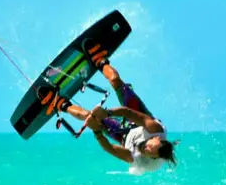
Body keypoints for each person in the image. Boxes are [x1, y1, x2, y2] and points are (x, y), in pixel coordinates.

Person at [45, 42, 177, 175]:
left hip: (123, 136)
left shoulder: (139, 160)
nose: (146, 149)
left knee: (89, 117)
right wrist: (106, 113)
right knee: (115, 81)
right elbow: (127, 112)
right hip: (138, 119)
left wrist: (96, 130)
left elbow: (110, 148)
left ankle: (59, 103)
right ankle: (100, 61)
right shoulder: (156, 130)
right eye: (149, 145)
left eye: (149, 152)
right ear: (156, 139)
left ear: (153, 158)